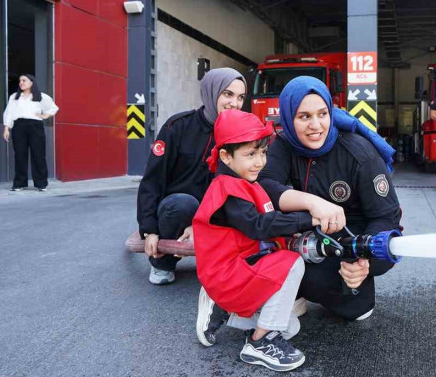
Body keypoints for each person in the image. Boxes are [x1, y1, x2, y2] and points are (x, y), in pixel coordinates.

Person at [258, 76, 400, 322]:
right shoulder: (283, 143)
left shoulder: (360, 153)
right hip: (305, 229)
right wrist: (313, 202)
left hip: (352, 235)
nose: (316, 125)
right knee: (257, 229)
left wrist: (364, 260)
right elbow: (265, 186)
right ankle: (290, 291)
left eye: (322, 114)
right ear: (289, 118)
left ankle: (311, 285)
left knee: (355, 310)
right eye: (304, 117)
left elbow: (387, 218)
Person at [194, 109, 316, 372]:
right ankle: (258, 343)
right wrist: (308, 219)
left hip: (241, 266)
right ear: (226, 156)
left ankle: (226, 307)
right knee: (292, 262)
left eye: (262, 152)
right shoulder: (227, 189)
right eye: (250, 154)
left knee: (291, 326)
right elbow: (258, 225)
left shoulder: (245, 182)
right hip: (227, 273)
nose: (260, 162)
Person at [136, 68, 247, 285]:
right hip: (177, 212)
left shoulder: (240, 135)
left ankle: (226, 261)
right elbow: (152, 181)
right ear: (211, 92)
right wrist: (149, 230)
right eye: (227, 94)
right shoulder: (177, 127)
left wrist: (202, 223)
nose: (235, 103)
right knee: (182, 203)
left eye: (240, 97)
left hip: (216, 213)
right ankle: (163, 263)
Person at [2, 74, 59, 192]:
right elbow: (9, 113)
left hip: (35, 126)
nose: (21, 83)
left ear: (31, 82)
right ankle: (19, 183)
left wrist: (45, 115)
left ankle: (41, 184)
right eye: (20, 81)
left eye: (24, 80)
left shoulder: (41, 96)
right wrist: (6, 128)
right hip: (19, 126)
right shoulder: (14, 97)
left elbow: (53, 108)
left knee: (38, 154)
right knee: (20, 155)